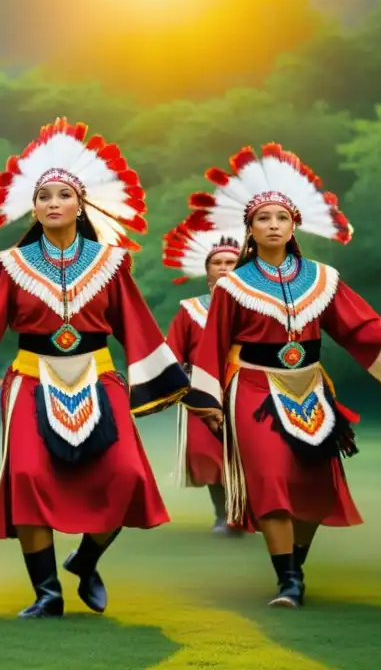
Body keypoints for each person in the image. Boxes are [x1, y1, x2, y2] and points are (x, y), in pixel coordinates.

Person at [0, 118, 189, 619]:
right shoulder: (11, 265)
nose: (52, 203)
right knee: (28, 475)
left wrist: (176, 384)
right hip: (32, 380)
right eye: (43, 196)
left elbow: (139, 327)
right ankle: (47, 592)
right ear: (33, 208)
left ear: (81, 205)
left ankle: (87, 558)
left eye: (62, 194)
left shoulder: (111, 263)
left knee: (125, 474)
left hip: (99, 376)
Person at [180, 143, 381, 608]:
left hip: (310, 386)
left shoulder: (324, 278)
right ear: (250, 229)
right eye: (262, 219)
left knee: (314, 483)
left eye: (280, 218)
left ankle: (294, 563)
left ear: (293, 225)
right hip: (251, 385)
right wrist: (208, 405)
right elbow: (211, 348)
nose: (272, 225)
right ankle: (288, 580)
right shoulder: (232, 285)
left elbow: (362, 328)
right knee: (268, 477)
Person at [162, 222, 243, 533]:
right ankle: (223, 515)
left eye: (230, 263)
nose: (223, 268)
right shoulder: (191, 309)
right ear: (207, 271)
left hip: (247, 386)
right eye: (217, 263)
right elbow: (173, 352)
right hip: (200, 392)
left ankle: (248, 512)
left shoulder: (258, 304)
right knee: (208, 454)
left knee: (248, 453)